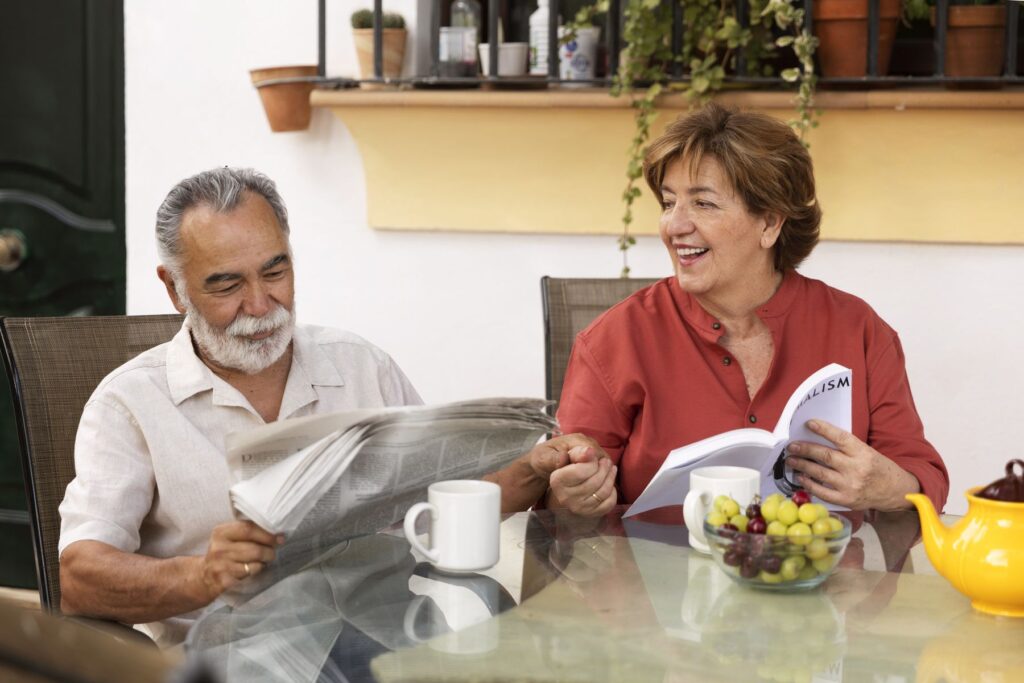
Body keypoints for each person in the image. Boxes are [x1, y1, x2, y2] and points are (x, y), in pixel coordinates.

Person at [57, 167, 591, 647]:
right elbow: (77, 578)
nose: (261, 306)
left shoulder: (360, 365)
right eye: (227, 284)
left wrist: (535, 469)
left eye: (275, 272)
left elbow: (451, 501)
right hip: (232, 659)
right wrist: (202, 575)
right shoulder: (130, 402)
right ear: (174, 290)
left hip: (385, 640)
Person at [547, 103, 948, 517]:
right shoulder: (614, 338)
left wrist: (890, 486)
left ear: (770, 224)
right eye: (669, 203)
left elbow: (922, 474)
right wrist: (574, 494)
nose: (674, 226)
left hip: (821, 577)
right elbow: (559, 500)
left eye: (703, 203)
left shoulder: (859, 330)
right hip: (657, 576)